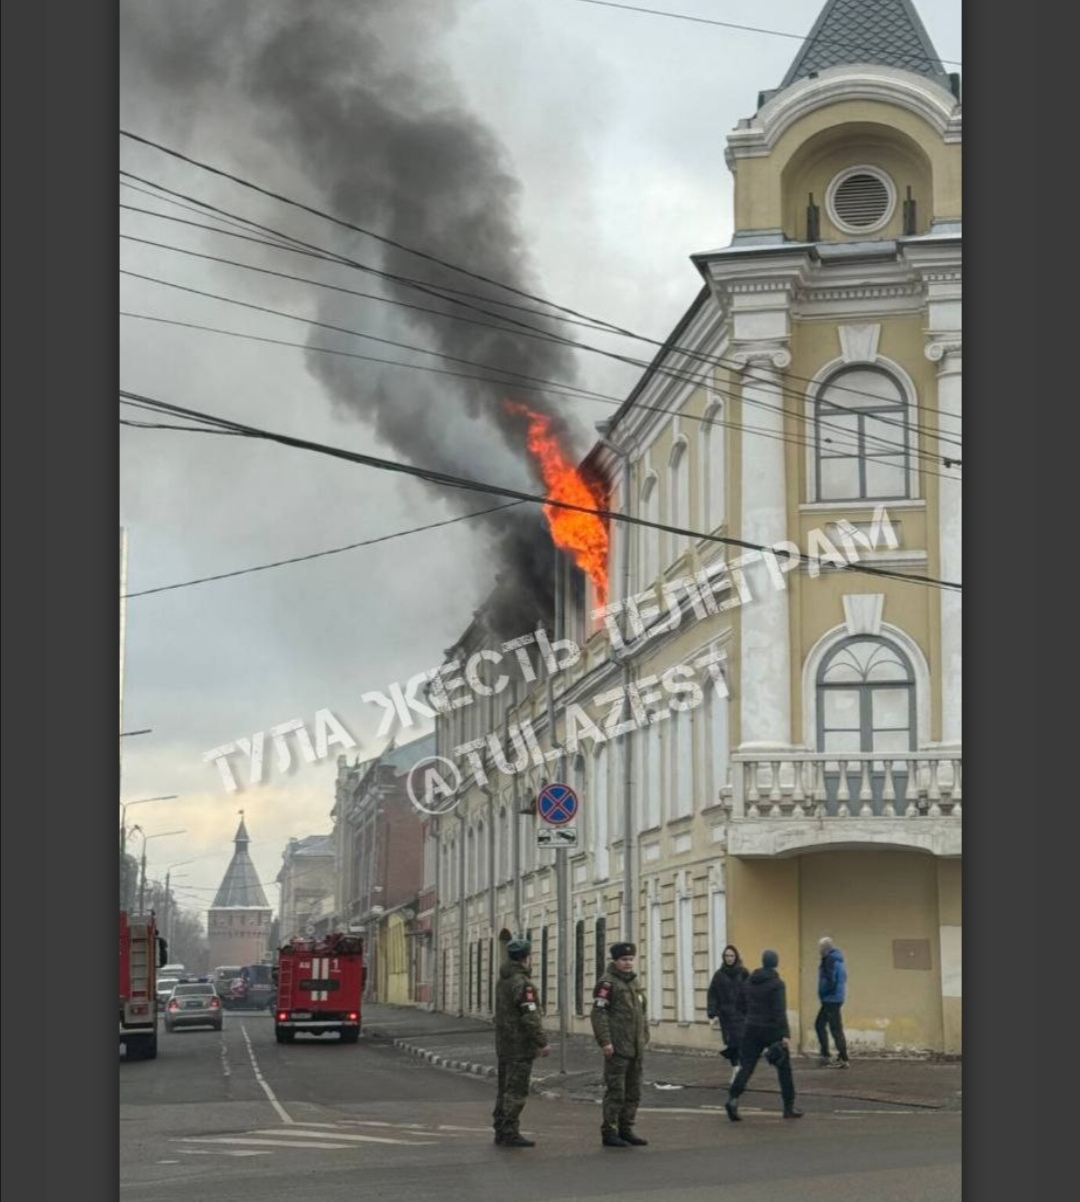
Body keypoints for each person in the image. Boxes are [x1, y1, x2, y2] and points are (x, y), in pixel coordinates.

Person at [724, 949, 803, 1121]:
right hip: (772, 1029)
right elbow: (779, 1011)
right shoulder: (777, 984)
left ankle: (733, 1098)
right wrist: (784, 1034)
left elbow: (739, 1004)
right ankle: (788, 1107)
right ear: (775, 963)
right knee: (784, 1069)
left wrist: (749, 1017)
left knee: (747, 1066)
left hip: (751, 1028)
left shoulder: (749, 982)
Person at [591, 942, 650, 1148]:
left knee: (633, 1091)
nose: (628, 963)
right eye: (624, 960)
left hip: (635, 1046)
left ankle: (626, 1128)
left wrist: (644, 1035)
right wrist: (605, 1041)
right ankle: (610, 1131)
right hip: (617, 1047)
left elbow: (641, 1012)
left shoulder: (634, 983)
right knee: (616, 1091)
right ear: (615, 961)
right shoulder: (607, 984)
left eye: (631, 959)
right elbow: (599, 1014)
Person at [492, 938, 550, 1147]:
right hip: (520, 1046)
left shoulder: (503, 981)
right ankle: (510, 1131)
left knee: (504, 1089)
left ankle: (500, 1128)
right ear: (527, 958)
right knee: (516, 1091)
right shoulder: (523, 984)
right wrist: (542, 1042)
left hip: (504, 1043)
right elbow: (530, 1016)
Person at [707, 945, 749, 1081]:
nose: (729, 958)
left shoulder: (743, 973)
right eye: (727, 956)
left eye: (731, 956)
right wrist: (712, 1014)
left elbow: (751, 992)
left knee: (741, 1042)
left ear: (736, 957)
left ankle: (740, 1068)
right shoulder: (719, 975)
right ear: (723, 958)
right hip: (726, 1016)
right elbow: (712, 994)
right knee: (731, 1043)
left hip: (741, 1014)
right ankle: (736, 1068)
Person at [815, 936, 849, 1068]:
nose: (819, 950)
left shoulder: (829, 960)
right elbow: (844, 977)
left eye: (820, 948)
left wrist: (823, 993)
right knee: (822, 1024)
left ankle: (841, 1057)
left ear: (824, 948)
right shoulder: (838, 959)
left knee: (834, 1028)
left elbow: (830, 980)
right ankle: (828, 1053)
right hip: (837, 998)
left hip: (830, 999)